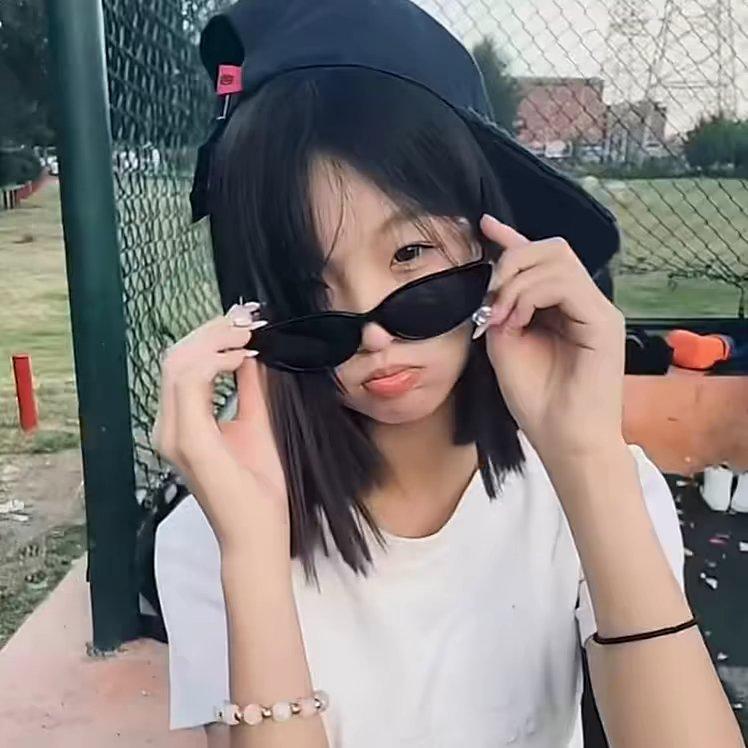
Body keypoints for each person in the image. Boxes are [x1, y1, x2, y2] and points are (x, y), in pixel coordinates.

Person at [152, 1, 744, 746]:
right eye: (307, 293)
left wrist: (587, 459)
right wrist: (252, 557)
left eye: (410, 256)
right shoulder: (215, 531)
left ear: (493, 246)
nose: (373, 332)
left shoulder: (592, 485)